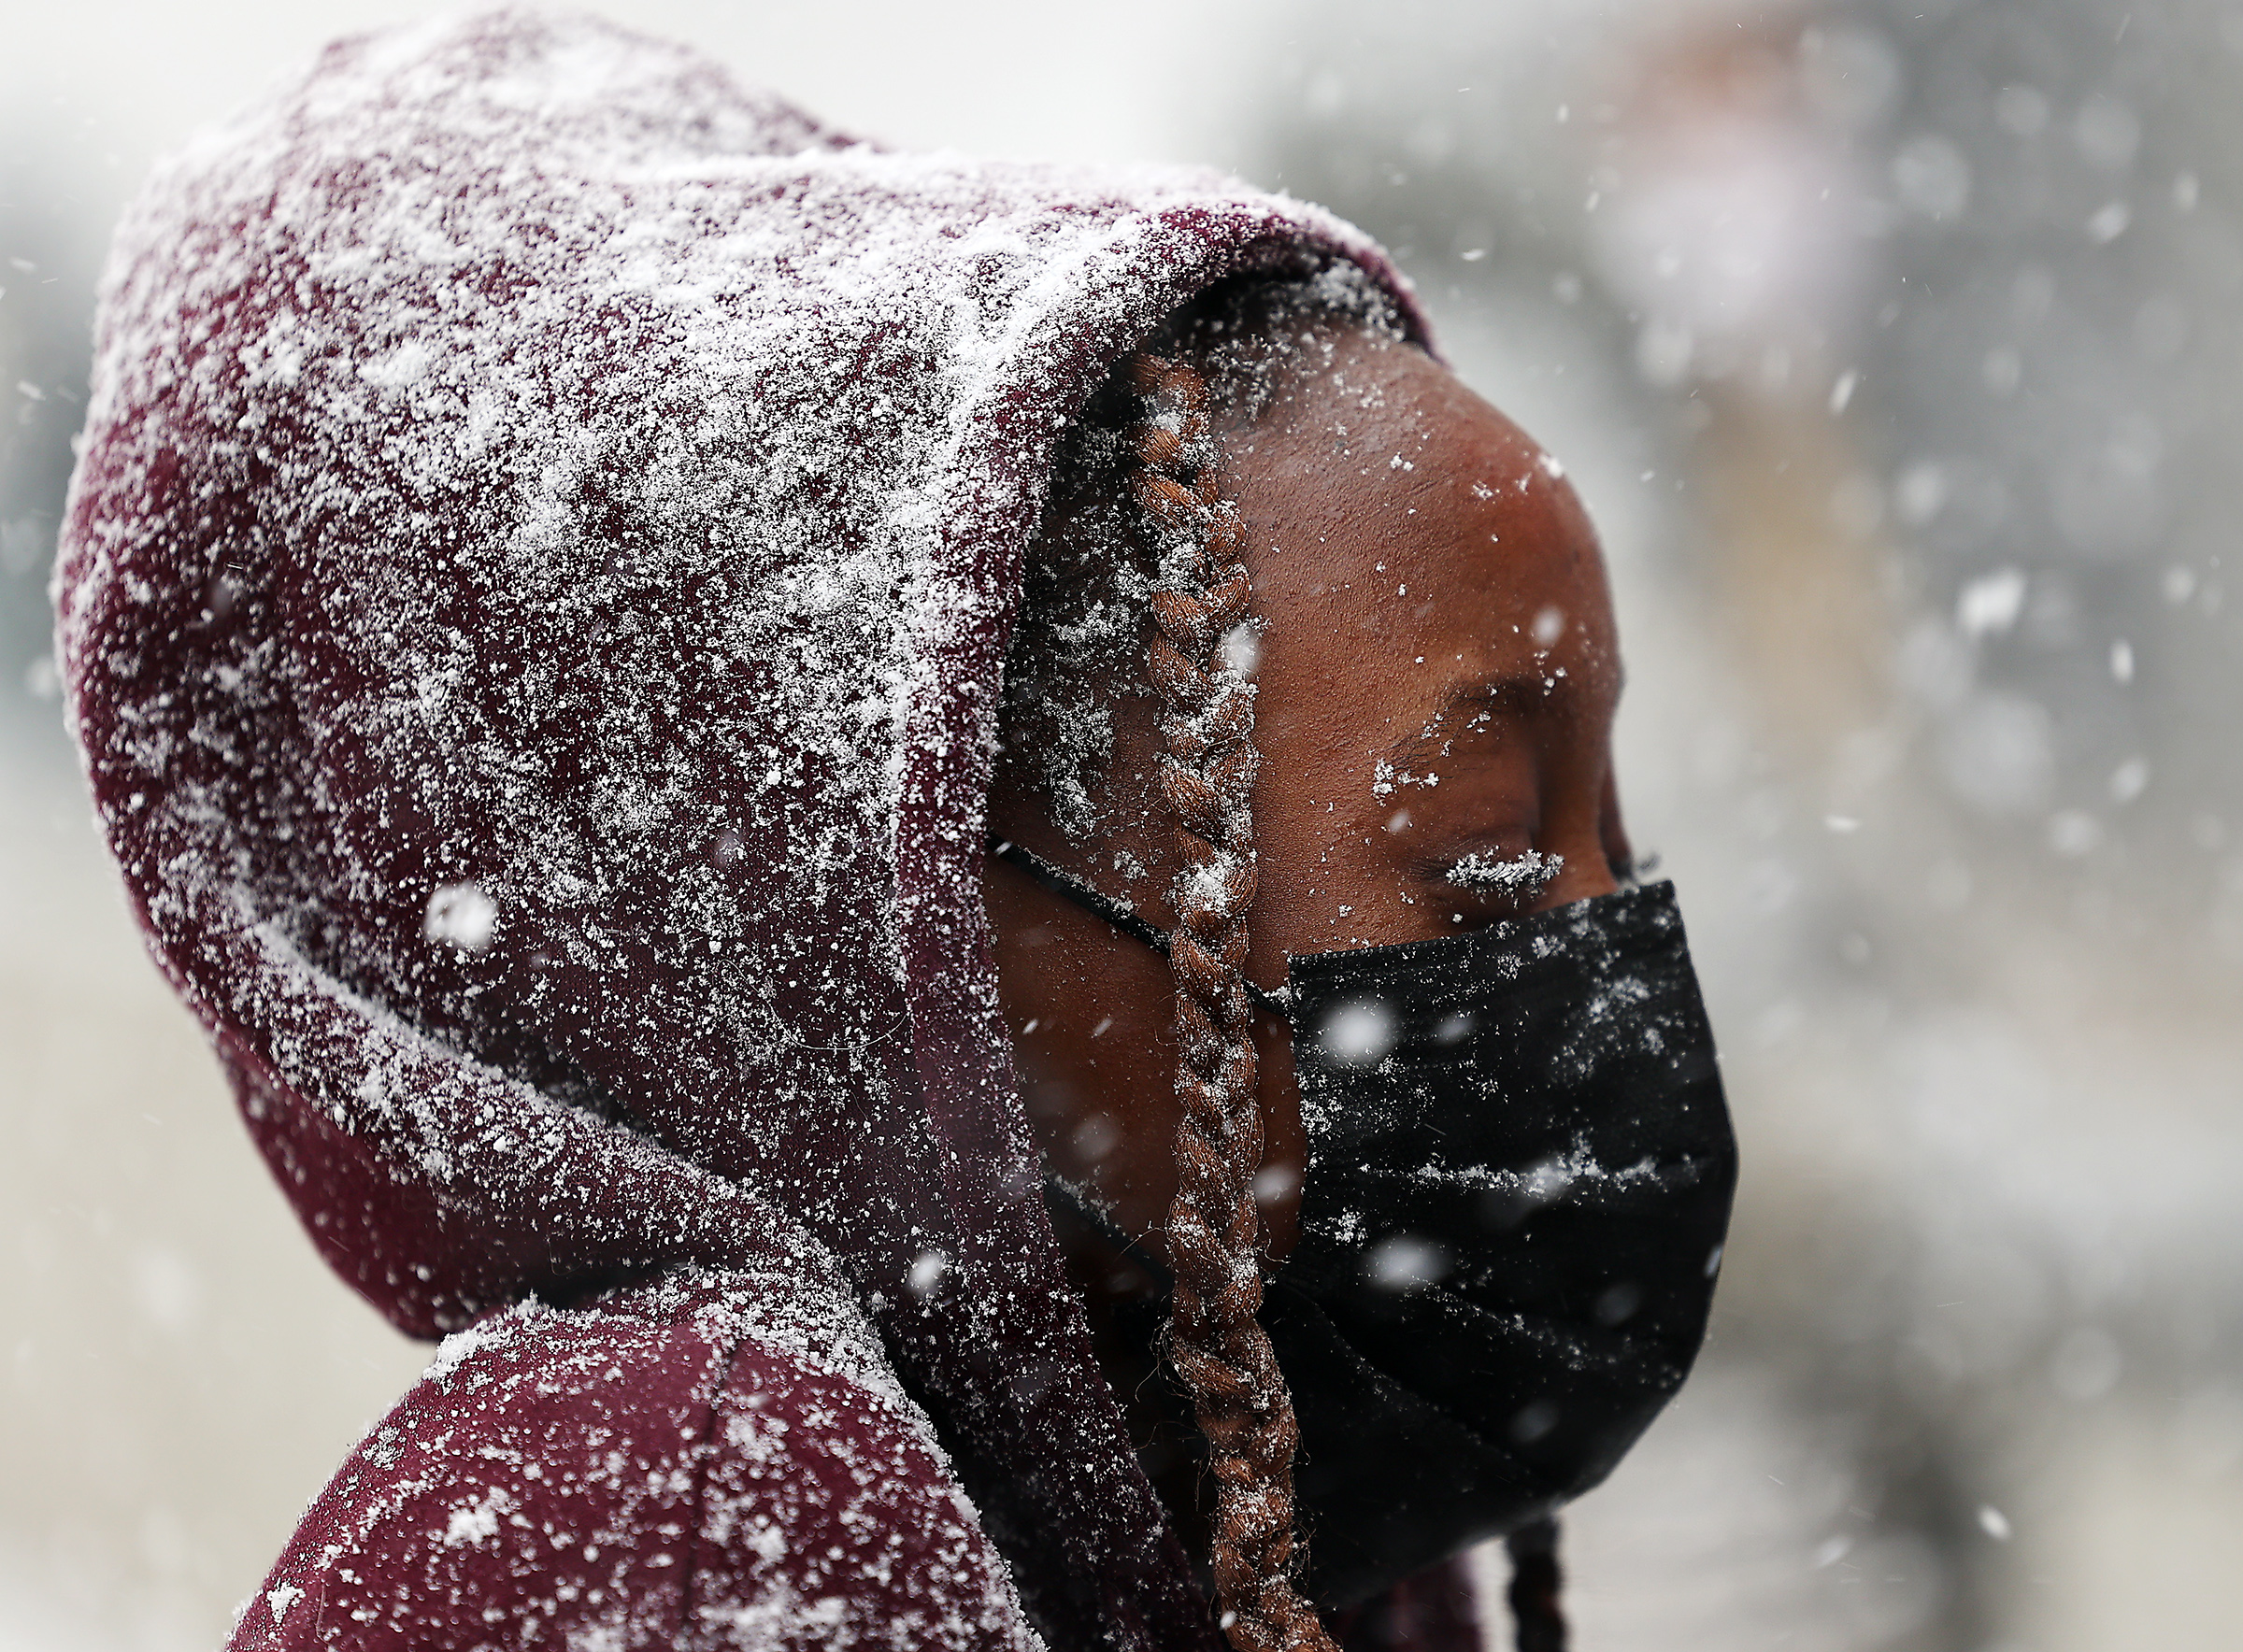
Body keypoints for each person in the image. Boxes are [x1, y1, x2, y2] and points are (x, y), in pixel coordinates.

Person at [55, 12, 1736, 1651]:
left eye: (1616, 836)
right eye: (1487, 848)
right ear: (926, 909)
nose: (1607, 945)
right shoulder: (686, 1523)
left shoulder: (1263, 1525)